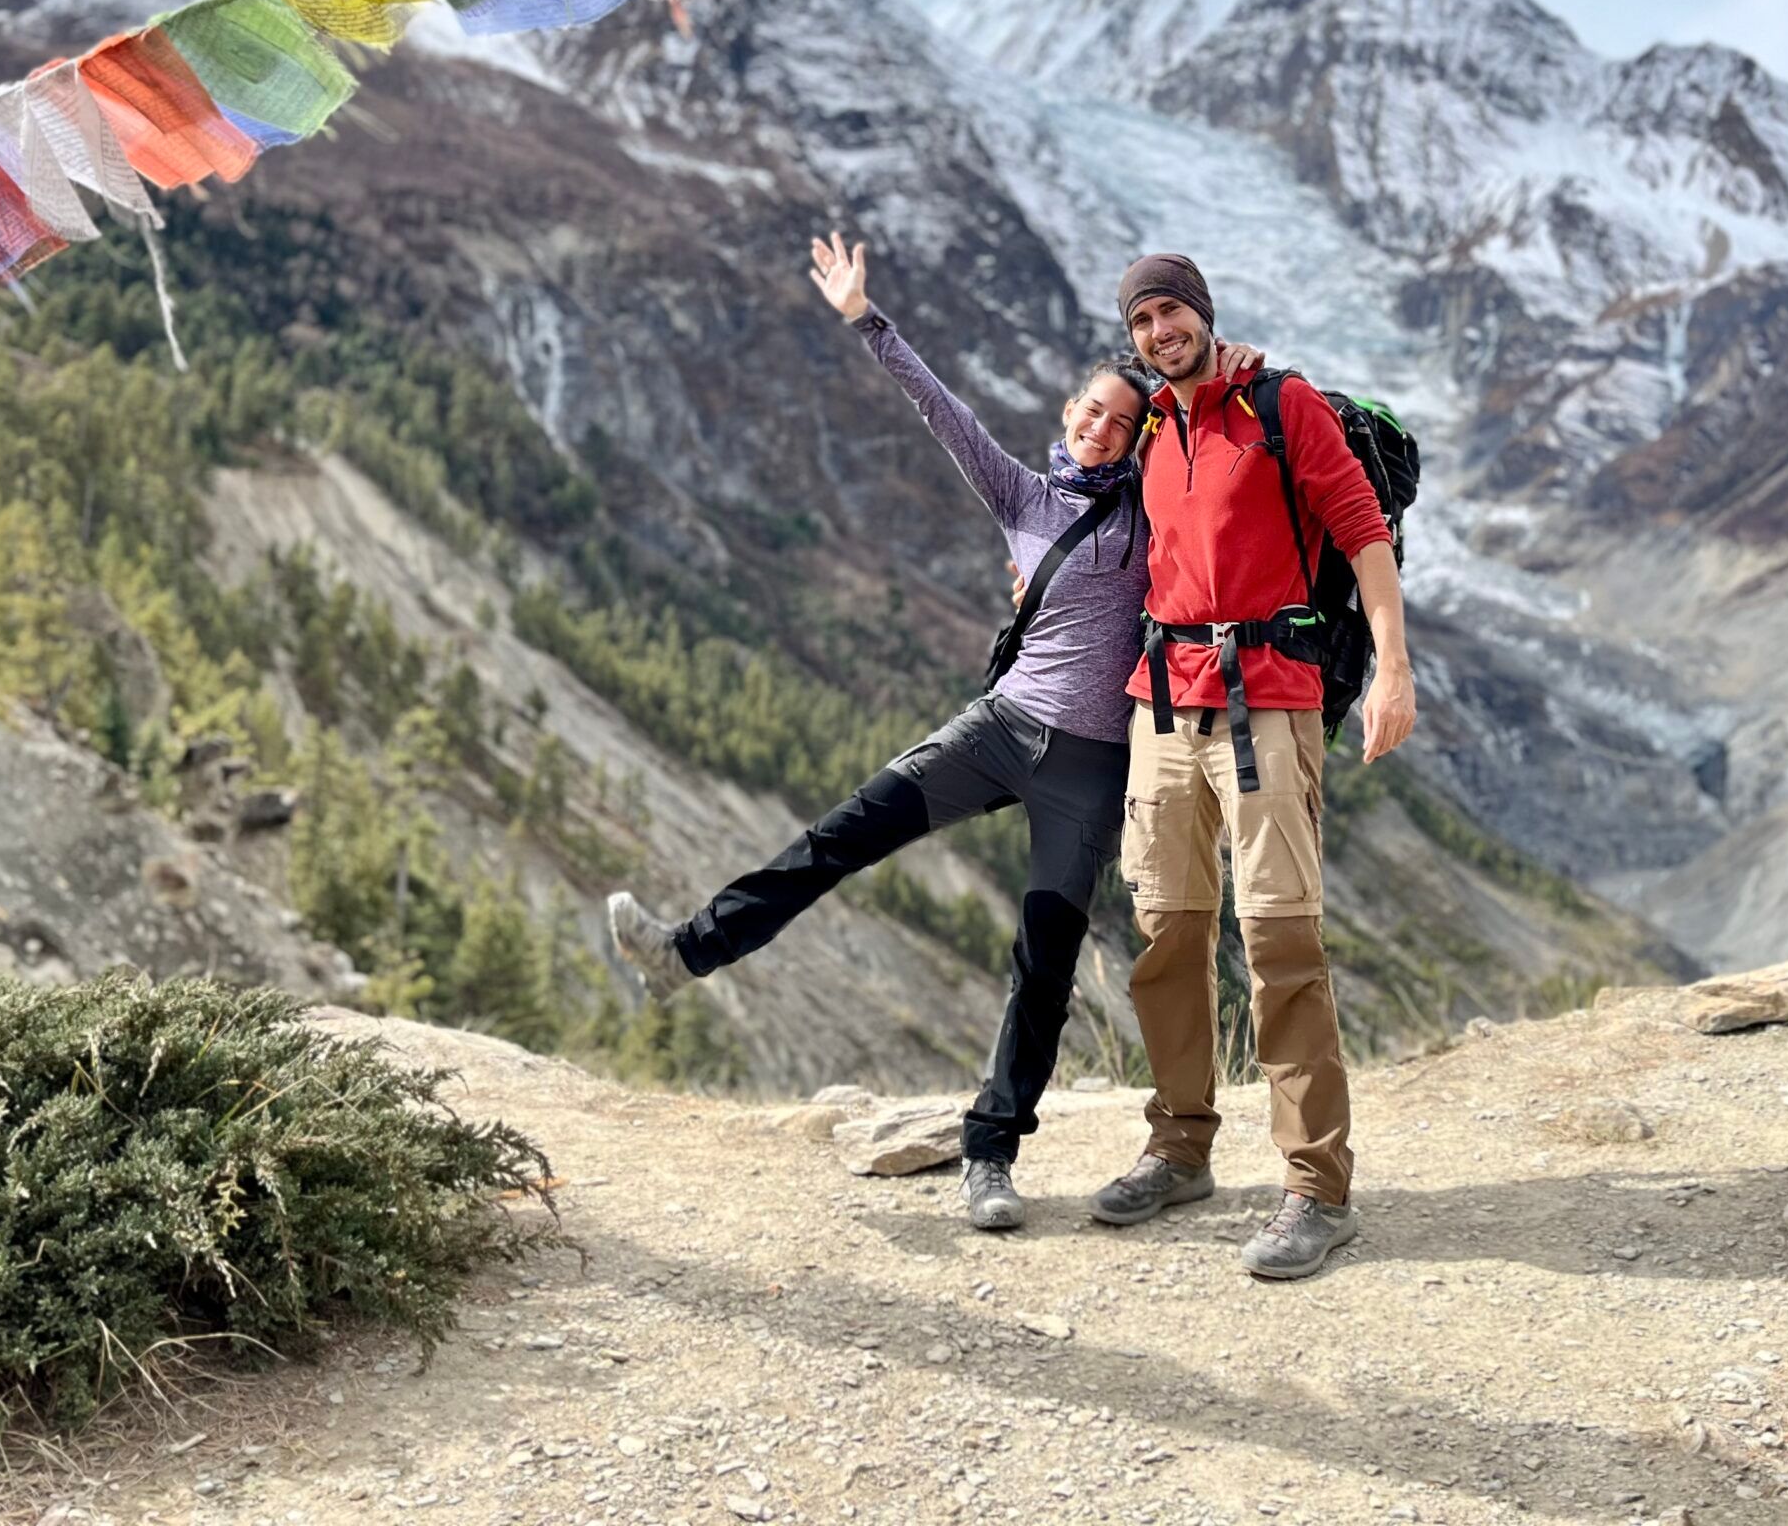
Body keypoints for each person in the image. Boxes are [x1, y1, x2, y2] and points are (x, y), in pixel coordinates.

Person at [607, 229, 1262, 1232]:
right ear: (1066, 414)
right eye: (1088, 409)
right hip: (996, 731)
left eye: (1118, 419)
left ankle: (990, 1157)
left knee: (1042, 962)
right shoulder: (1024, 497)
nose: (1097, 425)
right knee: (836, 839)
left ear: (1137, 436)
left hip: (1087, 767)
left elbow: (1214, 448)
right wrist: (865, 319)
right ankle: (683, 954)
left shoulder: (1154, 512)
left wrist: (1233, 373)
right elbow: (941, 414)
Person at [1088, 251, 1418, 1281]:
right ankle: (1180, 1147)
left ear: (1204, 314)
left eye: (1172, 311)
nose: (1159, 330)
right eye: (1142, 319)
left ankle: (1317, 1187)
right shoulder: (1148, 425)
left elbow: (1362, 532)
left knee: (1278, 937)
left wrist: (1393, 673)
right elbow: (1082, 509)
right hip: (1161, 706)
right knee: (1167, 934)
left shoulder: (1281, 406)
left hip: (1267, 700)